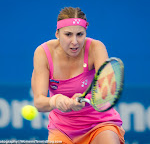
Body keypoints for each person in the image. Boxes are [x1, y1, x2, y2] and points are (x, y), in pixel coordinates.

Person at [31, 7, 125, 144]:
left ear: (85, 33)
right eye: (68, 34)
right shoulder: (43, 53)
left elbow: (108, 92)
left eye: (80, 34)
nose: (75, 42)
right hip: (62, 130)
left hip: (100, 125)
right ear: (57, 34)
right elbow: (39, 103)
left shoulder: (96, 48)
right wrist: (55, 100)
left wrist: (84, 99)